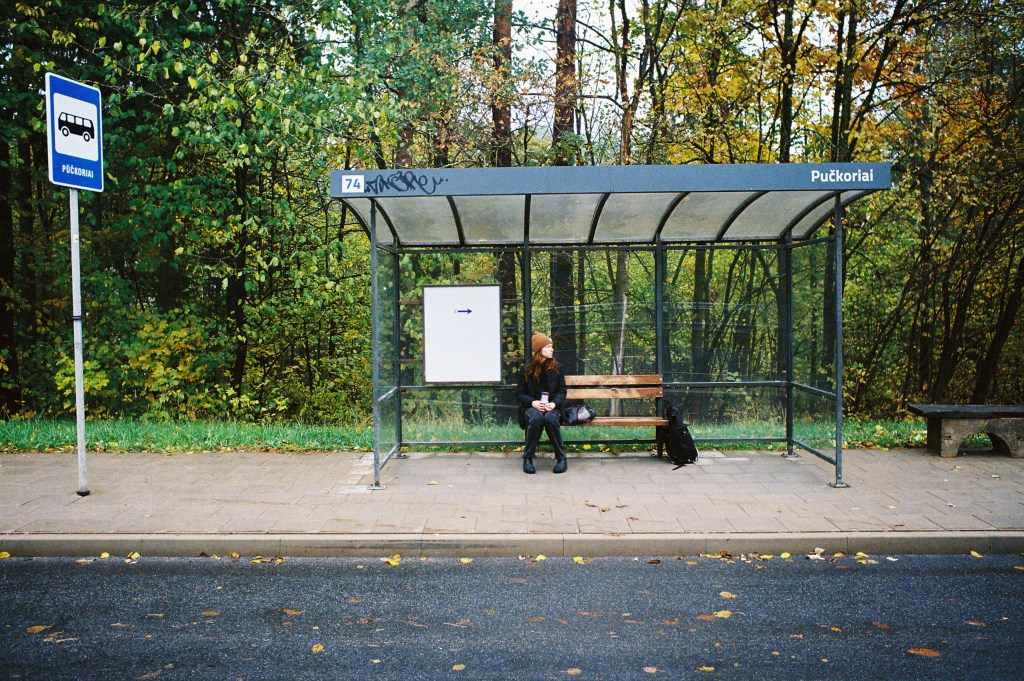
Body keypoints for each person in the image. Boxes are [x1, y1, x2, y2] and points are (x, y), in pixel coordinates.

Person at [516, 332, 568, 474]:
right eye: (548, 346)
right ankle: (528, 458)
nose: (552, 349)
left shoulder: (557, 367)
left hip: (552, 407)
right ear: (540, 349)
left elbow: (562, 391)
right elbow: (519, 394)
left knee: (550, 418)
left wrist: (554, 404)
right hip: (532, 407)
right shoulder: (527, 369)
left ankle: (561, 458)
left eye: (552, 346)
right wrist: (533, 402)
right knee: (537, 417)